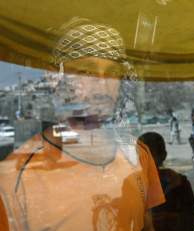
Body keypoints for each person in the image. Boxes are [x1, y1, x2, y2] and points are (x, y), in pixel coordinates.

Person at [0, 18, 165, 231]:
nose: (103, 82)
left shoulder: (137, 155)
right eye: (86, 71)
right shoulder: (17, 176)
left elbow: (146, 225)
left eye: (113, 73)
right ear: (54, 77)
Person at [138, 132, 194, 231]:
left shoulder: (179, 184)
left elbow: (193, 222)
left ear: (163, 156)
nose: (144, 161)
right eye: (141, 156)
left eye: (150, 156)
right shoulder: (132, 187)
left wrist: (170, 218)